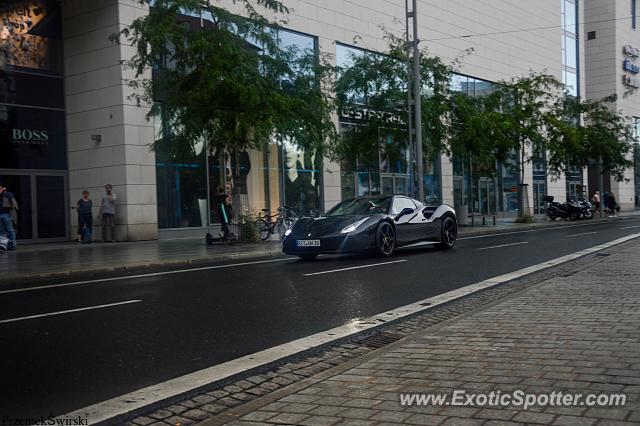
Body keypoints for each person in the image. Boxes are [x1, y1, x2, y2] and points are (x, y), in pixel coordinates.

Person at [0, 185, 18, 251]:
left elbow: (14, 203)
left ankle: (12, 246)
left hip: (6, 214)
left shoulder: (8, 194)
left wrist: (10, 207)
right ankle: (3, 246)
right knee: (1, 232)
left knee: (10, 231)